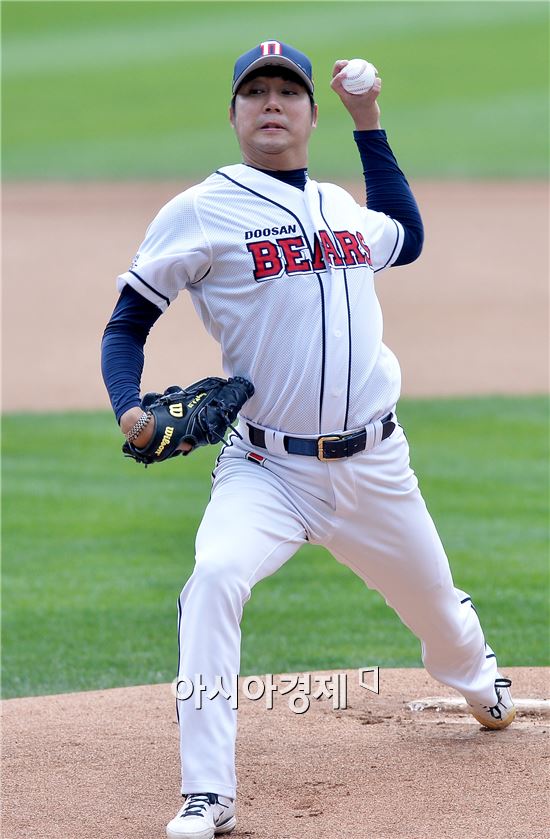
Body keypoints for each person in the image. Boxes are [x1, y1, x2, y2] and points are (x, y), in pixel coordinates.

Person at [101, 40, 515, 839]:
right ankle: (207, 792)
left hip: (376, 466)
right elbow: (127, 324)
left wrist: (370, 121)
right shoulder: (200, 209)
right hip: (266, 468)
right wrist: (128, 408)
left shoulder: (338, 207)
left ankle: (477, 677)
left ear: (310, 114)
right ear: (233, 114)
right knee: (214, 576)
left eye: (287, 91)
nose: (271, 103)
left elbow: (407, 236)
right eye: (254, 92)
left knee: (440, 613)